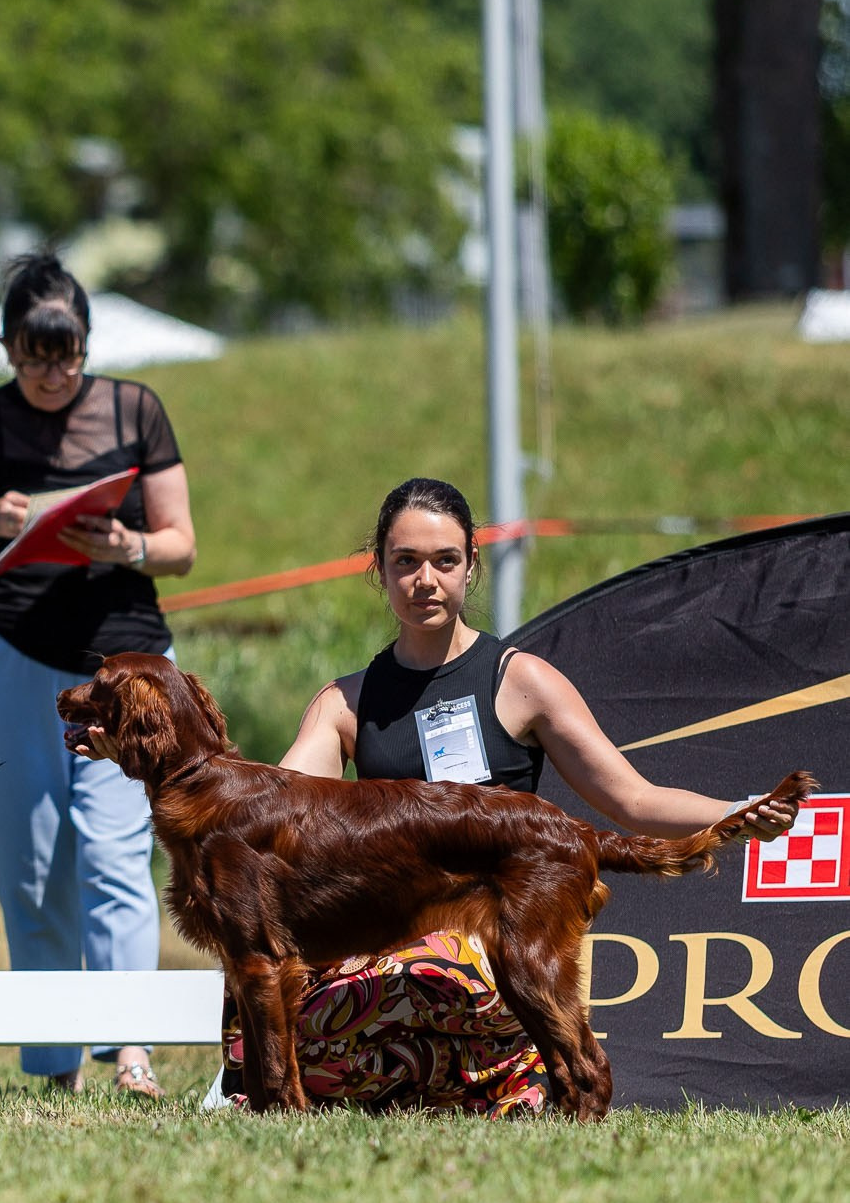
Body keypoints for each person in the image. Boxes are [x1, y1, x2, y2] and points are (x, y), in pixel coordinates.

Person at [240, 477, 803, 1113]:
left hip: (489, 937)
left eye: (445, 560)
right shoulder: (346, 703)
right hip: (386, 931)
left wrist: (735, 813)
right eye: (406, 562)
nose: (425, 580)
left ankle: (505, 1071)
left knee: (426, 974)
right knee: (260, 1014)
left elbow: (633, 801)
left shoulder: (522, 681)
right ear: (380, 569)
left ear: (471, 564)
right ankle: (450, 1084)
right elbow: (271, 817)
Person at [0, 254, 198, 1099]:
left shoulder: (135, 408)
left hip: (126, 662)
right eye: (35, 354)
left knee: (118, 855)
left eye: (68, 352)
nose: (53, 372)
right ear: (8, 347)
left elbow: (183, 543)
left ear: (86, 341)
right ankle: (54, 1063)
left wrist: (129, 547)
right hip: (14, 654)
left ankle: (133, 1054)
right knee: (31, 859)